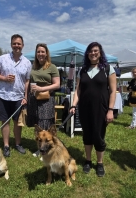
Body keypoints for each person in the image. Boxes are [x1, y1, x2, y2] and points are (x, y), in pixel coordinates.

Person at [69, 42, 116, 177]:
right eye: (90, 51)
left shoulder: (108, 69)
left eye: (96, 51)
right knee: (87, 134)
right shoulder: (82, 70)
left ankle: (99, 163)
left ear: (100, 53)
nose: (93, 53)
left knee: (98, 135)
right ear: (87, 54)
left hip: (101, 109)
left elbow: (113, 91)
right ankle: (88, 161)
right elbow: (78, 90)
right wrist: (73, 105)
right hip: (84, 108)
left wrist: (111, 110)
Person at [0, 34, 32, 157]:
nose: (16, 46)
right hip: (3, 95)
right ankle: (6, 145)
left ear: (22, 45)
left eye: (19, 44)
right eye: (14, 43)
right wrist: (4, 78)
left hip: (19, 97)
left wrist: (25, 96)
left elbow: (27, 81)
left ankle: (18, 144)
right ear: (11, 45)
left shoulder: (27, 62)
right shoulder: (2, 58)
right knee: (5, 121)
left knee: (17, 122)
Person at [26, 43, 60, 157]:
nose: (40, 54)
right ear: (36, 54)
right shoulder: (33, 67)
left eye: (42, 52)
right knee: (38, 124)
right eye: (38, 52)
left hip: (46, 99)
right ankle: (41, 147)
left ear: (46, 54)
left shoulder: (52, 67)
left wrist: (42, 88)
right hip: (34, 98)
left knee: (45, 122)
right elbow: (29, 82)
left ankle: (47, 149)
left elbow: (57, 85)